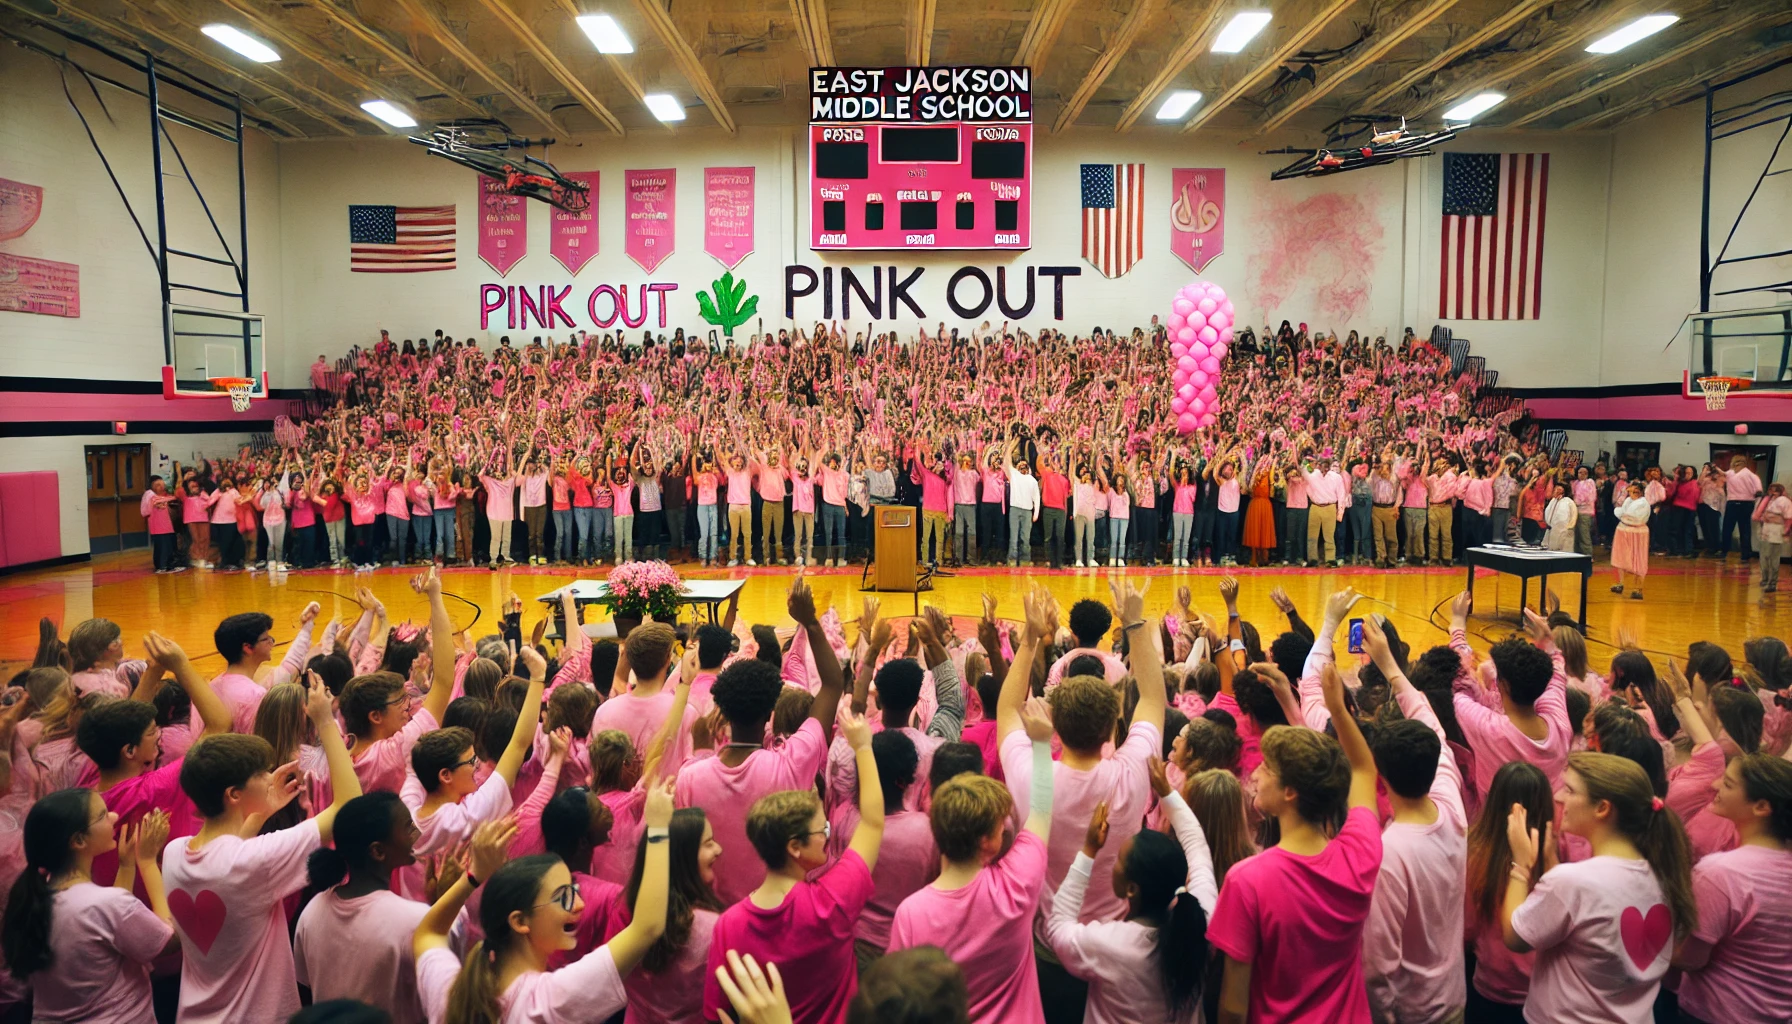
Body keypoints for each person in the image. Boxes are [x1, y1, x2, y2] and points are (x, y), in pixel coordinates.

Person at [162, 670, 363, 1023]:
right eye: (260, 774)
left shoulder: (174, 852)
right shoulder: (255, 861)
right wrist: (326, 722)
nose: (270, 776)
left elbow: (224, 865)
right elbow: (349, 806)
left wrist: (258, 813)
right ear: (234, 794)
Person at [1208, 658, 1382, 1024]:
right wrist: (1335, 708)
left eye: (1266, 768)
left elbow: (1233, 1008)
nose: (1255, 772)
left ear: (1290, 792)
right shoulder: (1360, 853)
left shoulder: (1246, 881)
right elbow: (1363, 768)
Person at [413, 782, 675, 1024]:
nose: (579, 906)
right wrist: (660, 827)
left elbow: (428, 933)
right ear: (519, 921)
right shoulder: (548, 1002)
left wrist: (473, 878)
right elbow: (647, 927)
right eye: (563, 897)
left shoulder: (451, 996)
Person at [887, 655, 1056, 1024]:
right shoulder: (1018, 884)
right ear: (990, 842)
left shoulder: (911, 914)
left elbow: (899, 1001)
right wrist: (1041, 745)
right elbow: (1042, 812)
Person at [703, 707, 883, 1024]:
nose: (828, 837)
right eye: (822, 831)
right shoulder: (833, 901)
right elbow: (872, 823)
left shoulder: (729, 926)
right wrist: (863, 747)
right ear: (794, 847)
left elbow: (717, 1012)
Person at [675, 577, 848, 906]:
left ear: (721, 710)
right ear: (772, 710)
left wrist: (699, 749)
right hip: (779, 909)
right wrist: (809, 622)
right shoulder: (790, 763)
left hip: (715, 917)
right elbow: (832, 685)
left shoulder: (690, 776)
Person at [1501, 752, 1697, 1024]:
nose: (1558, 797)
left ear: (1602, 808)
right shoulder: (1665, 875)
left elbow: (1515, 937)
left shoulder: (1575, 882)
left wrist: (1521, 866)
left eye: (1570, 790)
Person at [1042, 755, 1215, 1024]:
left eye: (1118, 860)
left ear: (1131, 889)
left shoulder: (1112, 945)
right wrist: (1167, 793)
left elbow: (1058, 928)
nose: (1113, 862)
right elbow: (1198, 847)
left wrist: (1089, 851)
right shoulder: (1200, 920)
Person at [1360, 618, 1467, 1024]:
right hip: (1453, 997)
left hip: (1412, 1013)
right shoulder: (1451, 806)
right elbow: (1431, 727)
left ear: (1381, 778)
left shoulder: (1390, 852)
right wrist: (1390, 666)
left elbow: (1378, 964)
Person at [1, 795, 174, 1024]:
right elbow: (167, 940)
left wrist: (126, 865)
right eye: (103, 815)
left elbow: (111, 928)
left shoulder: (37, 899)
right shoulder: (105, 904)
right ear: (79, 840)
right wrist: (148, 861)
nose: (113, 816)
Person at [1670, 753, 1792, 1024]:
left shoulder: (1722, 873)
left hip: (1718, 1011)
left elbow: (1691, 958)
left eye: (1727, 784)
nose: (1714, 786)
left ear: (1761, 807)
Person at [293, 792, 430, 1022]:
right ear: (377, 851)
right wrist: (446, 902)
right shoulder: (415, 920)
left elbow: (305, 991)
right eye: (408, 827)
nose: (416, 833)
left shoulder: (312, 911)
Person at [1463, 762, 1550, 1022]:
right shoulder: (1554, 854)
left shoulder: (1475, 852)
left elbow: (1467, 927)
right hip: (1542, 989)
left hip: (1491, 984)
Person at [1611, 481, 1652, 599]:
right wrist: (1621, 513)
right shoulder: (1628, 501)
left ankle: (1637, 589)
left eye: (1636, 492)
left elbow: (1631, 516)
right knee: (1621, 557)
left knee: (1638, 559)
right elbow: (1622, 513)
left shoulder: (1644, 503)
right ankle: (1620, 583)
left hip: (1638, 533)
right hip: (1623, 530)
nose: (1632, 494)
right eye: (1630, 491)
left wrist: (1621, 513)